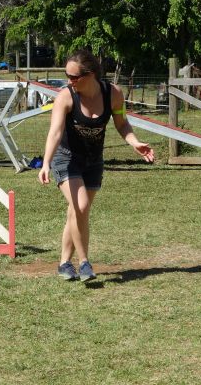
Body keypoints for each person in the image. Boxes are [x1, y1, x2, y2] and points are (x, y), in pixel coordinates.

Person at [37, 49, 154, 282]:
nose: (69, 82)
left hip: (93, 161)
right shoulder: (66, 97)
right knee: (80, 206)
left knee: (77, 211)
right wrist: (46, 162)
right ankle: (84, 263)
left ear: (91, 75)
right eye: (67, 76)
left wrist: (134, 143)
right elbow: (55, 132)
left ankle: (63, 263)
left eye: (74, 77)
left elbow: (122, 124)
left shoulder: (114, 94)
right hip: (66, 158)